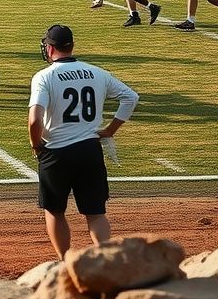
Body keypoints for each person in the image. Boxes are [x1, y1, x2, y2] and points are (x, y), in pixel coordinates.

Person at [29, 24, 139, 258]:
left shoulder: (44, 77)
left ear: (49, 49)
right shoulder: (96, 72)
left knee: (55, 210)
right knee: (96, 212)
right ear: (71, 46)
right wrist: (110, 130)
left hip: (56, 152)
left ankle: (64, 260)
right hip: (90, 149)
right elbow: (130, 97)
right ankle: (106, 261)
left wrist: (36, 144)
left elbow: (34, 120)